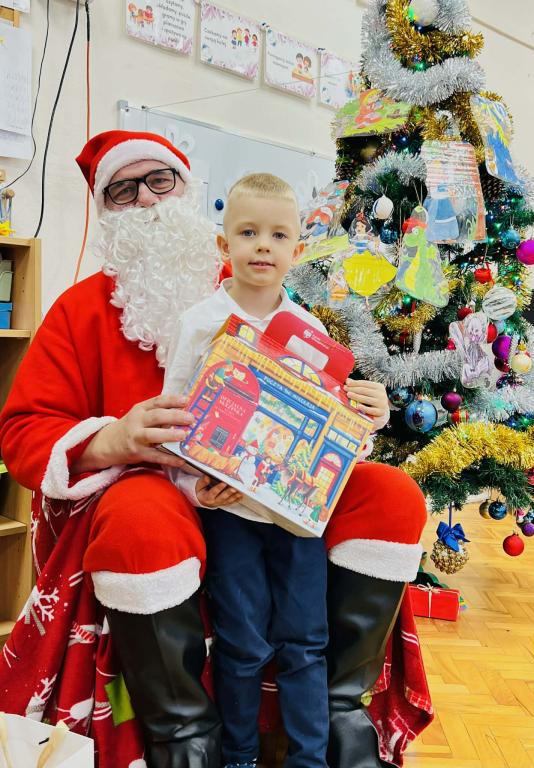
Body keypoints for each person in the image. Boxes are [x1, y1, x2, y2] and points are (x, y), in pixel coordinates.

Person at [0, 131, 431, 768]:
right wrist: (111, 438)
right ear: (104, 209)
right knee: (141, 521)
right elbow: (23, 430)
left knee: (393, 495)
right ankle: (187, 741)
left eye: (160, 181)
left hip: (275, 493)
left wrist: (364, 410)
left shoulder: (265, 288)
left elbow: (319, 400)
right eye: (123, 189)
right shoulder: (77, 310)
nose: (147, 200)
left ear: (189, 190)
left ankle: (340, 713)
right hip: (156, 486)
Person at [162, 173, 391, 768]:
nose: (262, 245)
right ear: (224, 245)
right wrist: (194, 489)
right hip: (230, 512)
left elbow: (339, 433)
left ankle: (309, 759)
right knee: (240, 641)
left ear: (297, 249)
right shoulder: (199, 323)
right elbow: (174, 419)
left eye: (278, 235)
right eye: (247, 232)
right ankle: (238, 756)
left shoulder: (312, 333)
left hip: (297, 518)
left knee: (306, 642)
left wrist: (373, 415)